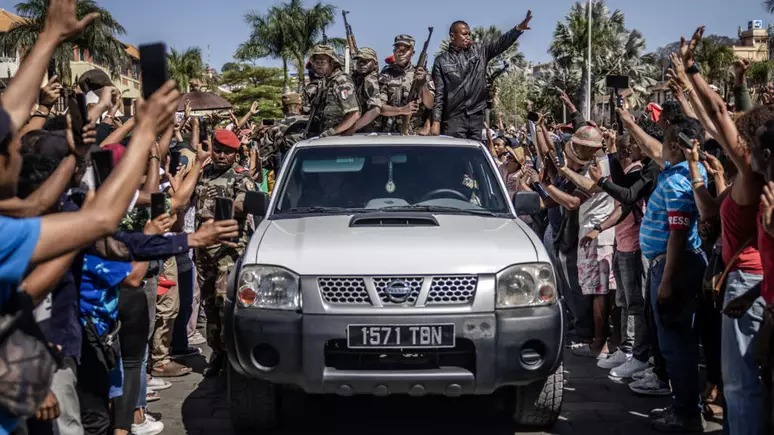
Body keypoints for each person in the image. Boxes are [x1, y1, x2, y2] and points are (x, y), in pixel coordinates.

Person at [194, 129, 256, 377]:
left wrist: (219, 205)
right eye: (217, 150)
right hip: (204, 250)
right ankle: (217, 351)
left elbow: (244, 204)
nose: (221, 156)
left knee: (225, 303)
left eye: (227, 152)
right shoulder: (204, 172)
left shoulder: (241, 176)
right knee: (209, 302)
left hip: (228, 250)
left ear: (235, 154)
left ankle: (232, 356)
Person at [431, 11, 532, 139]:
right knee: (456, 151)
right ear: (452, 36)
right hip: (453, 119)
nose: (468, 36)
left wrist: (518, 29)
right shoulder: (441, 61)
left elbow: (500, 43)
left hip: (476, 117)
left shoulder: (480, 51)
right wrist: (436, 121)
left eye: (469, 34)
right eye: (464, 34)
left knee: (474, 151)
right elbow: (439, 95)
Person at [305, 45, 360, 138]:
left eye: (322, 62)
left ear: (332, 62)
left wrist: (333, 132)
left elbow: (354, 115)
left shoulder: (341, 81)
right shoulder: (324, 82)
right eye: (316, 62)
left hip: (339, 138)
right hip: (325, 135)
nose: (319, 65)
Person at [347, 47, 384, 134]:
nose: (362, 64)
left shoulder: (371, 80)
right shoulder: (354, 78)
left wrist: (352, 129)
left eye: (366, 61)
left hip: (369, 131)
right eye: (359, 61)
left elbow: (375, 110)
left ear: (375, 64)